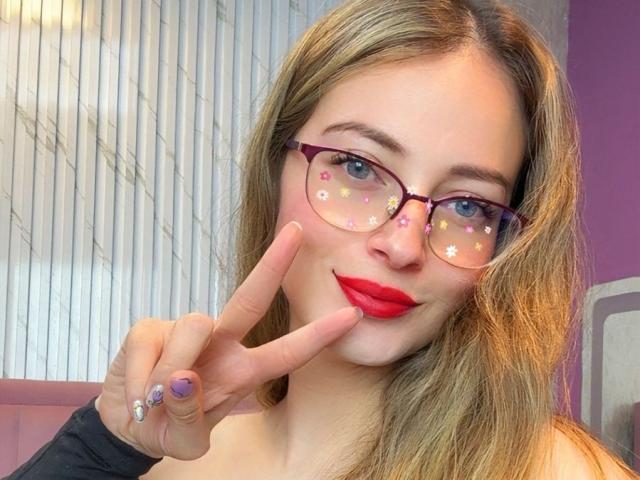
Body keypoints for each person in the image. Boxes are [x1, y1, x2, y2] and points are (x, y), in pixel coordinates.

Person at [7, 0, 638, 479]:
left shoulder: (560, 471)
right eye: (358, 167)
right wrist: (102, 446)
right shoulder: (159, 464)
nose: (403, 246)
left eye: (467, 205)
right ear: (273, 171)